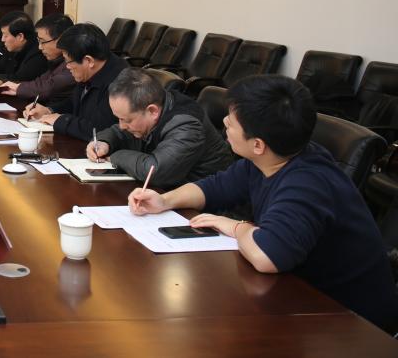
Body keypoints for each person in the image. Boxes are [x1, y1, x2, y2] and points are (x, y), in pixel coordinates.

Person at [129, 75, 398, 333]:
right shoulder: (268, 160)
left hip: (350, 323)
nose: (224, 122)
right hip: (297, 297)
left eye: (232, 121)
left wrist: (237, 227)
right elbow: (213, 188)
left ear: (258, 144)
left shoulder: (307, 182)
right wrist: (164, 200)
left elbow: (268, 256)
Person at [87, 68, 235, 187]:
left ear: (152, 111)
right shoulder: (157, 102)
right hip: (169, 193)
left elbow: (154, 171)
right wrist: (104, 142)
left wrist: (115, 156)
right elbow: (120, 132)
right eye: (119, 118)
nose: (121, 126)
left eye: (126, 120)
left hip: (204, 205)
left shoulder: (187, 126)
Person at [25, 22, 127, 141]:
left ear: (89, 61)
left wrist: (61, 120)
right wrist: (49, 110)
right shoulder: (90, 71)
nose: (67, 67)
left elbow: (100, 130)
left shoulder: (120, 83)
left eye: (68, 61)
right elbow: (74, 102)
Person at [1, 13, 75, 107]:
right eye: (39, 41)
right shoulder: (57, 61)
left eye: (43, 42)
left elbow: (48, 87)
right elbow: (39, 82)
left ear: (62, 40)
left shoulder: (74, 62)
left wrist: (18, 88)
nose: (40, 47)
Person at [0, 11, 48, 83]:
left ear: (20, 36)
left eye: (5, 35)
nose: (2, 39)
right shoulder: (15, 49)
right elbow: (1, 66)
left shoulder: (38, 52)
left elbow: (19, 79)